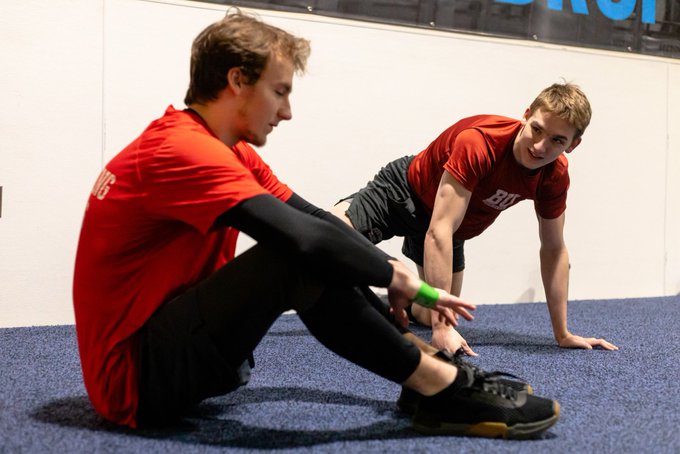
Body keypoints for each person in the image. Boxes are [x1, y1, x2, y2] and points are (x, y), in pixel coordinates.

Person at [72, 10, 559, 439]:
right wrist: (396, 275)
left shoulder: (227, 150)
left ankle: (425, 369)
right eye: (279, 92)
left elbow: (313, 218)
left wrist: (390, 269)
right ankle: (442, 389)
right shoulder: (183, 151)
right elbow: (302, 238)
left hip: (172, 349)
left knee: (319, 249)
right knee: (295, 258)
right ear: (237, 81)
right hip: (134, 382)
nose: (287, 111)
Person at [331, 82, 619, 355]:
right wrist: (444, 329)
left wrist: (562, 334)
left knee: (436, 311)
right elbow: (438, 230)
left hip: (452, 228)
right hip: (405, 192)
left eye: (557, 140)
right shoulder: (481, 142)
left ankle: (406, 300)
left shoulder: (553, 175)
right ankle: (344, 214)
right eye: (537, 130)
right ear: (526, 115)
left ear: (573, 144)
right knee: (330, 236)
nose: (540, 147)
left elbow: (554, 249)